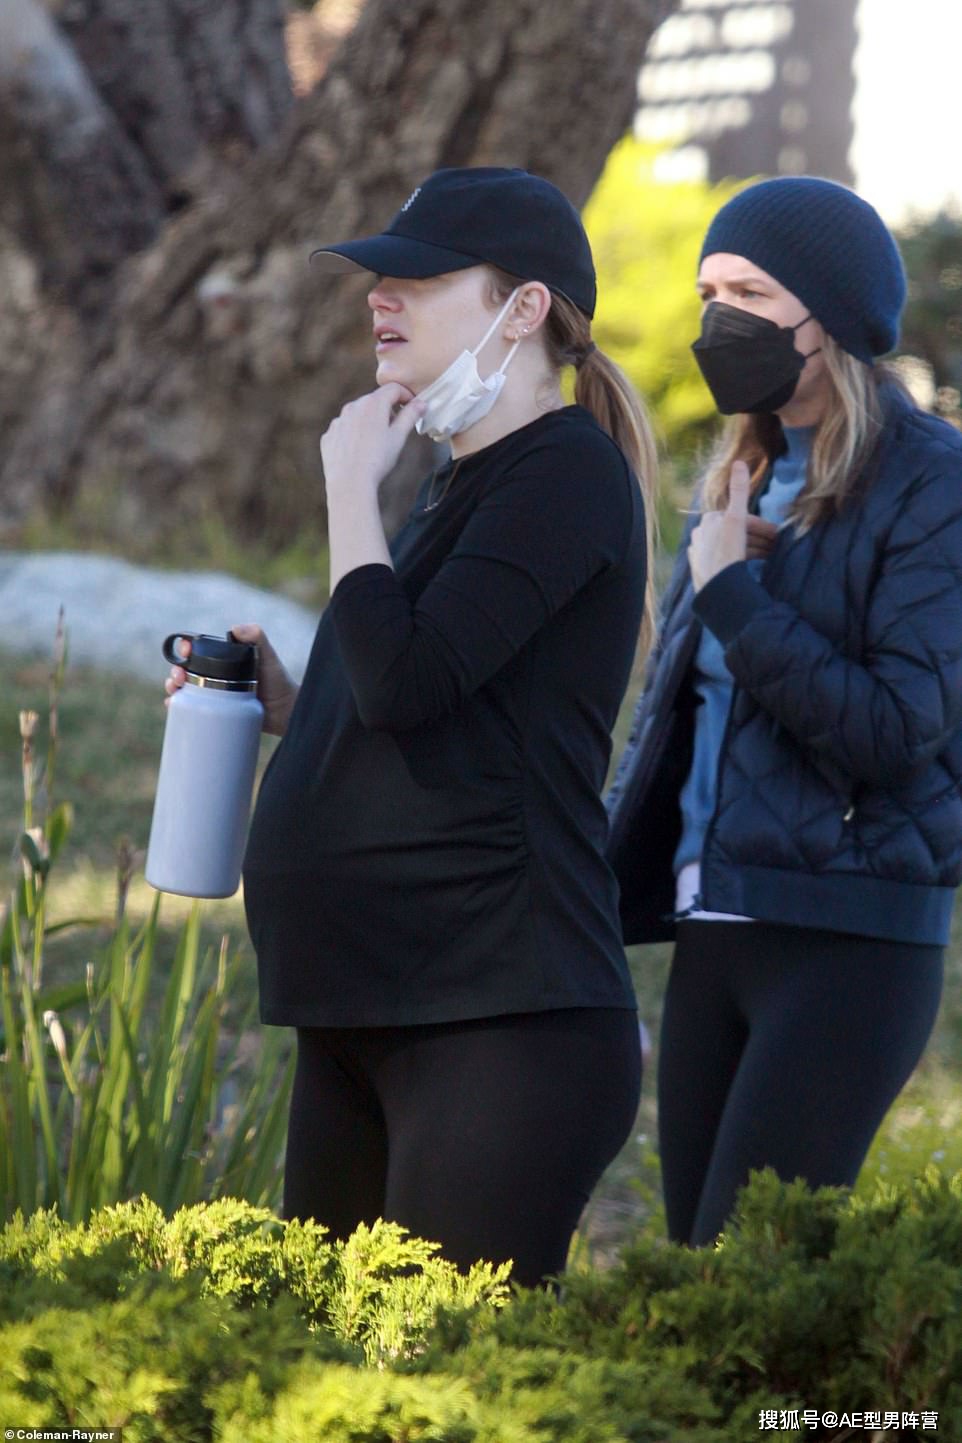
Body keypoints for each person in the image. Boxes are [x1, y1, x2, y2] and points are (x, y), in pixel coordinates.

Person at [167, 167, 657, 1286]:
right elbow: (427, 710)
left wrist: (350, 489)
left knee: (434, 1392)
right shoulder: (458, 485)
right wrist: (292, 706)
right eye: (375, 278)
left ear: (521, 308)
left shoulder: (565, 472)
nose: (377, 297)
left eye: (416, 278)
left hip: (497, 1021)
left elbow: (402, 683)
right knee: (327, 1380)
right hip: (364, 1011)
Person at [606, 175, 962, 1249]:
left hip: (843, 942)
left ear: (834, 317)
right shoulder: (740, 477)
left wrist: (728, 595)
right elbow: (681, 726)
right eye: (710, 289)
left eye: (752, 292)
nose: (722, 319)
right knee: (691, 1276)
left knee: (748, 1285)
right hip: (715, 924)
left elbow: (896, 728)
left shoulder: (932, 483)